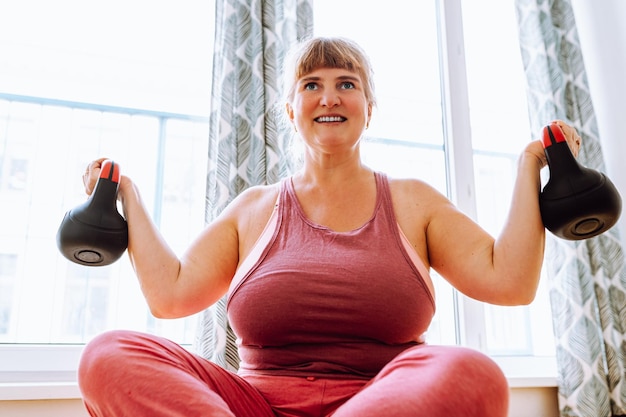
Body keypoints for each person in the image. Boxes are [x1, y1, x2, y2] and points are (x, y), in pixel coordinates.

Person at [77, 36, 581, 417]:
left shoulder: (412, 200)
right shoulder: (254, 209)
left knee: (473, 373)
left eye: (347, 84)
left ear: (369, 107)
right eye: (311, 85)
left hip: (383, 401)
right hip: (256, 405)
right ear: (291, 110)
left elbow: (510, 282)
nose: (329, 97)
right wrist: (130, 197)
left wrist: (528, 167)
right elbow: (171, 297)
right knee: (108, 354)